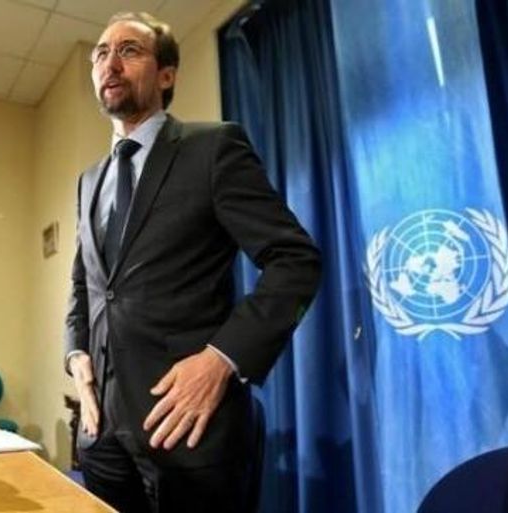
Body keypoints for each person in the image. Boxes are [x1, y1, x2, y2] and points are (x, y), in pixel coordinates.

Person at [64, 12, 322, 513]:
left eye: (129, 50)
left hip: (189, 437)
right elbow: (85, 286)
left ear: (166, 75)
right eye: (100, 53)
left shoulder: (213, 147)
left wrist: (221, 359)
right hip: (101, 437)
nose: (109, 63)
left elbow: (295, 261)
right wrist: (75, 358)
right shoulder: (88, 180)